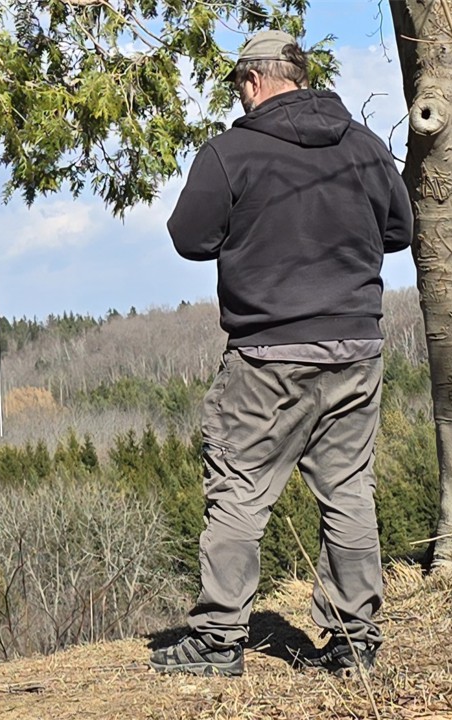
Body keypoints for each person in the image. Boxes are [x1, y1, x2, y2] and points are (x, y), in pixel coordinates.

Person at [148, 30, 413, 678]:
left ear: (253, 80)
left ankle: (218, 641)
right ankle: (355, 643)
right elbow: (400, 228)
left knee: (239, 491)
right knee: (349, 492)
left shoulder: (231, 152)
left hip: (268, 354)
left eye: (239, 85)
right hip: (355, 347)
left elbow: (189, 237)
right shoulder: (364, 146)